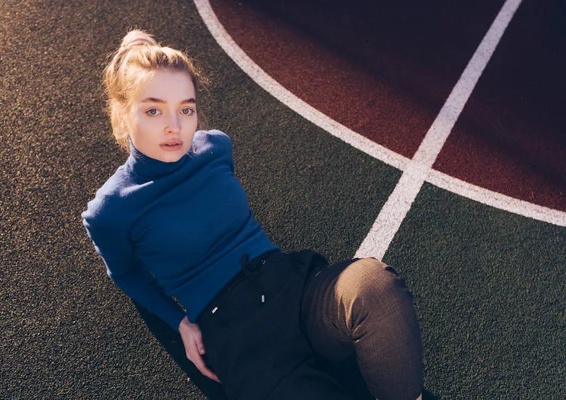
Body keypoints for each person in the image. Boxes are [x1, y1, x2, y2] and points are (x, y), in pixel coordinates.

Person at [82, 29, 423, 400]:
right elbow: (126, 273)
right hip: (235, 335)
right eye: (153, 110)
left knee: (374, 285)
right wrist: (179, 322)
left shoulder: (215, 146)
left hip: (290, 285)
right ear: (121, 111)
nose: (174, 127)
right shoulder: (110, 209)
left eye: (186, 109)